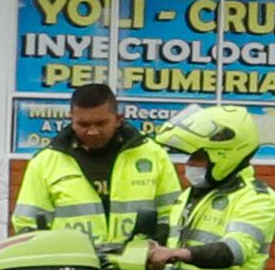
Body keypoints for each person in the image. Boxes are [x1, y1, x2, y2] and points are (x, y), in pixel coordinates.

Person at [130, 105, 275, 270]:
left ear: (225, 155)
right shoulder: (191, 196)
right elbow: (172, 242)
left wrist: (175, 254)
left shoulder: (257, 198)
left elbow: (233, 250)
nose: (190, 163)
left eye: (199, 156)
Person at [13, 80, 177, 257]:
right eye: (83, 125)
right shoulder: (45, 161)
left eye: (101, 124)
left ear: (118, 119)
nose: (92, 132)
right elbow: (27, 225)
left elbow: (172, 215)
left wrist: (154, 253)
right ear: (71, 120)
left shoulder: (152, 155)